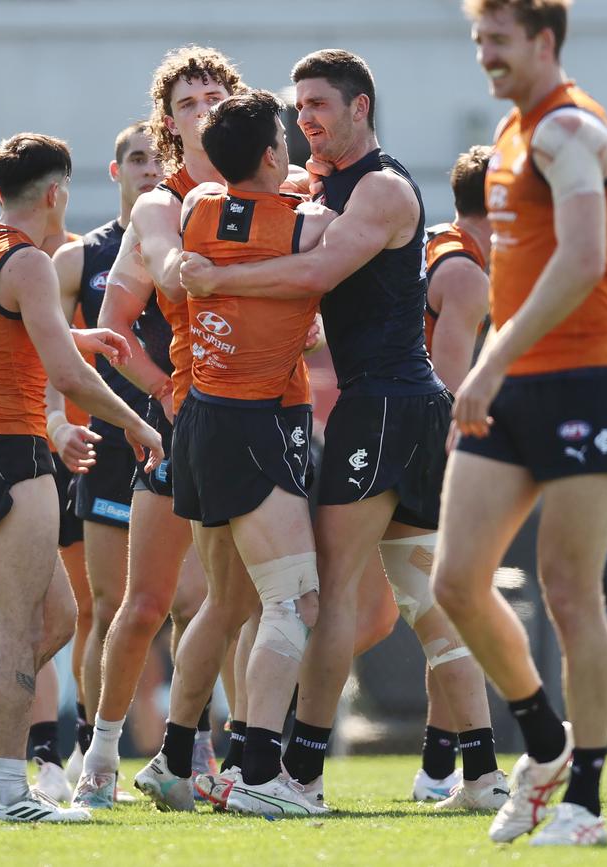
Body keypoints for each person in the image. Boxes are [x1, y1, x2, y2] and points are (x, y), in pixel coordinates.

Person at [179, 49, 492, 814]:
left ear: (361, 108)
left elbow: (315, 275)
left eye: (319, 103)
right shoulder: (319, 187)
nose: (305, 117)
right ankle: (483, 775)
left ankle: (302, 775)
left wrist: (217, 278)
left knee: (326, 591)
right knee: (423, 593)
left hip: (385, 404)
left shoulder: (380, 187)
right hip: (398, 404)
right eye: (299, 106)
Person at [431, 0, 607, 846]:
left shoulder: (570, 130)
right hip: (510, 383)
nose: (485, 55)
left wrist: (490, 357)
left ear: (544, 41)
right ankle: (545, 744)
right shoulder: (514, 132)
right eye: (478, 40)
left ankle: (584, 796)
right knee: (455, 581)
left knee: (568, 592)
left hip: (580, 379)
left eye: (499, 41)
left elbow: (587, 260)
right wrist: (498, 365)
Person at [71, 45, 247, 811]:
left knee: (242, 601)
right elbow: (114, 327)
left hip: (262, 423)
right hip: (181, 426)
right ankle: (100, 755)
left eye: (215, 95)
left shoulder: (278, 189)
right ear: (168, 120)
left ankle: (210, 754)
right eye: (186, 101)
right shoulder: (160, 203)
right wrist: (164, 394)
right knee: (140, 605)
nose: (202, 109)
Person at [0, 132, 162, 822]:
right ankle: (8, 792)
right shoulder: (30, 263)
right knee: (17, 627)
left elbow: (19, 334)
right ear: (56, 192)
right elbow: (66, 378)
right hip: (13, 452)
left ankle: (8, 774)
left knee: (55, 618)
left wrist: (74, 333)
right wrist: (140, 425)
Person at [175, 89, 335, 816]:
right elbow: (318, 243)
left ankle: (184, 755)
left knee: (226, 601)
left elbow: (226, 193)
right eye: (284, 136)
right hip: (255, 424)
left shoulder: (195, 207)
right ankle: (261, 774)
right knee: (293, 599)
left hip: (203, 420)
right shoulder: (309, 226)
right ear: (274, 152)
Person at [48, 122, 162, 786]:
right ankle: (97, 749)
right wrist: (59, 423)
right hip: (109, 448)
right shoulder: (78, 260)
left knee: (191, 602)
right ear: (117, 172)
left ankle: (191, 747)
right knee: (102, 601)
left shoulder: (183, 236)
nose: (150, 167)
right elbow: (46, 359)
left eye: (158, 156)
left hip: (181, 435)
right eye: (137, 158)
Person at [405, 144, 498, 805]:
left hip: (393, 442)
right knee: (440, 610)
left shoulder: (443, 244)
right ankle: (265, 751)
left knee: (436, 612)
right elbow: (450, 387)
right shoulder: (465, 271)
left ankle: (438, 767)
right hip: (427, 456)